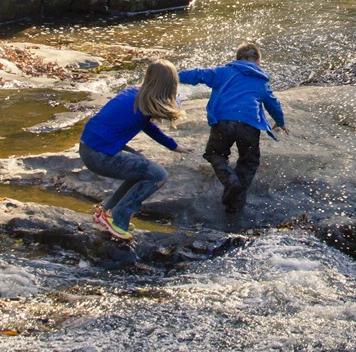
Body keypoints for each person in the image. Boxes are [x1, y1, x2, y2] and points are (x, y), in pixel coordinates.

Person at [79, 58, 189, 241]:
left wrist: (173, 146)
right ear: (169, 85)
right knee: (159, 175)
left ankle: (106, 213)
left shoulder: (137, 95)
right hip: (99, 154)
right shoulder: (146, 102)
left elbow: (148, 126)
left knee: (141, 168)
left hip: (91, 148)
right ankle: (117, 219)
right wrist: (178, 101)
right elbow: (171, 111)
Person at [177, 41, 288, 213]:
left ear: (236, 59)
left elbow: (199, 74)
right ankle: (235, 204)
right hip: (249, 125)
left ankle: (231, 181)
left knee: (215, 153)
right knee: (249, 162)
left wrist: (172, 76)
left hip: (223, 122)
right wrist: (280, 121)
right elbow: (273, 103)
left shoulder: (223, 71)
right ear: (258, 60)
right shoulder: (261, 80)